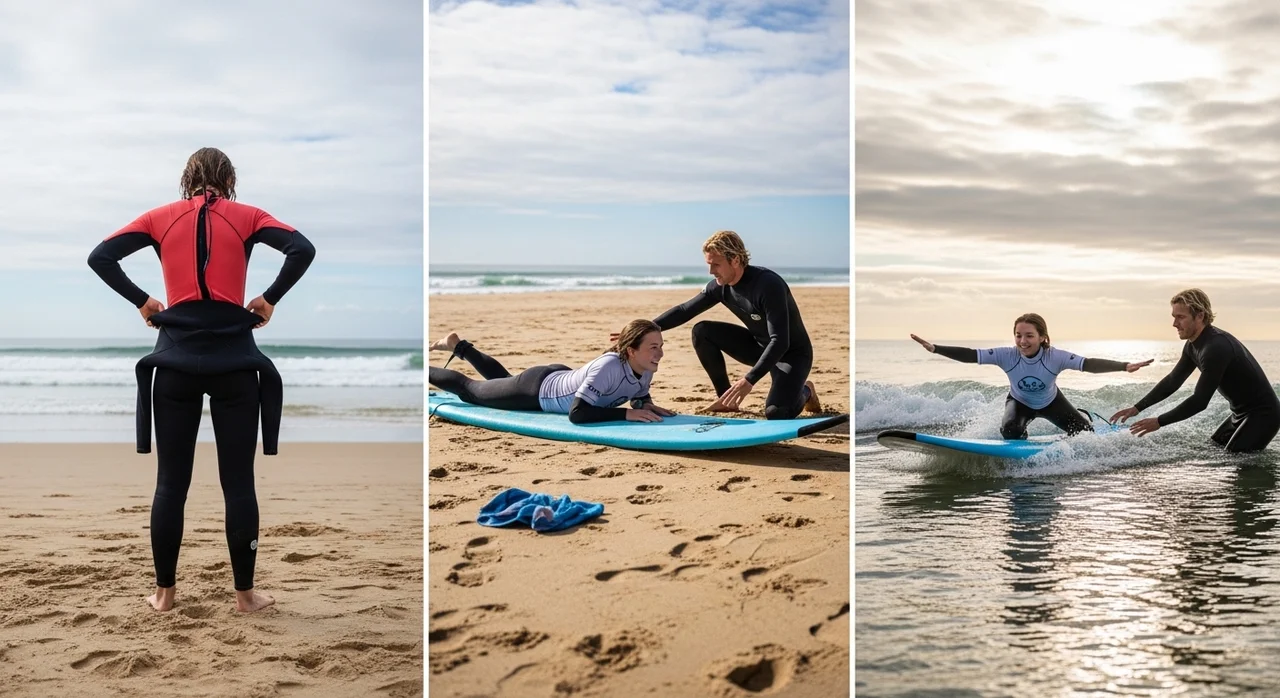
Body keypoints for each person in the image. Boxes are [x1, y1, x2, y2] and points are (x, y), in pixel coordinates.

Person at [87, 147, 315, 613]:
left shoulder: (159, 218)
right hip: (234, 361)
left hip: (173, 360)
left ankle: (164, 596)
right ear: (228, 178)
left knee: (171, 485)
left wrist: (144, 301)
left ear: (186, 179)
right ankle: (246, 597)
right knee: (239, 484)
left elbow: (101, 257)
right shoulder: (247, 216)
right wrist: (269, 298)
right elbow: (302, 249)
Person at [644, 230, 821, 420]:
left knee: (776, 413)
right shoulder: (720, 286)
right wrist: (644, 329)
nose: (711, 272)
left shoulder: (768, 285)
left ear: (735, 260)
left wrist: (748, 380)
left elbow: (780, 341)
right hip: (759, 347)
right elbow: (685, 310)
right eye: (709, 264)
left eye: (716, 265)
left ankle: (806, 391)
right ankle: (726, 400)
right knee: (702, 331)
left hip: (791, 355)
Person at [912, 313, 1153, 439]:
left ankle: (1082, 418)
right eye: (1018, 335)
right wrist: (936, 349)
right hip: (1019, 402)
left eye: (1028, 335)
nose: (1022, 341)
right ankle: (1021, 439)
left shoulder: (1055, 356)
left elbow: (1087, 364)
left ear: (1042, 337)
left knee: (1086, 435)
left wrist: (1124, 366)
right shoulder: (1006, 355)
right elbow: (971, 355)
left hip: (1051, 402)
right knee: (1010, 431)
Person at [1111, 289, 1280, 452]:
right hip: (1241, 414)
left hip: (1263, 415)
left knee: (1237, 462)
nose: (1174, 324)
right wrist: (1137, 408)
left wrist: (1159, 421)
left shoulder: (1216, 347)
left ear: (1200, 316)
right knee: (1215, 451)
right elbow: (1173, 381)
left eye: (1181, 317)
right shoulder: (1193, 345)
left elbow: (1200, 401)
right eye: (1174, 317)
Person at [428, 319, 676, 424]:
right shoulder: (609, 365)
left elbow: (637, 392)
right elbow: (577, 413)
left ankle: (458, 346)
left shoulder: (646, 367)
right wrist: (626, 415)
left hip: (559, 376)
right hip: (535, 391)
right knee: (470, 390)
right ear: (631, 350)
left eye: (661, 346)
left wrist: (645, 404)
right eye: (653, 347)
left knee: (503, 381)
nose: (660, 353)